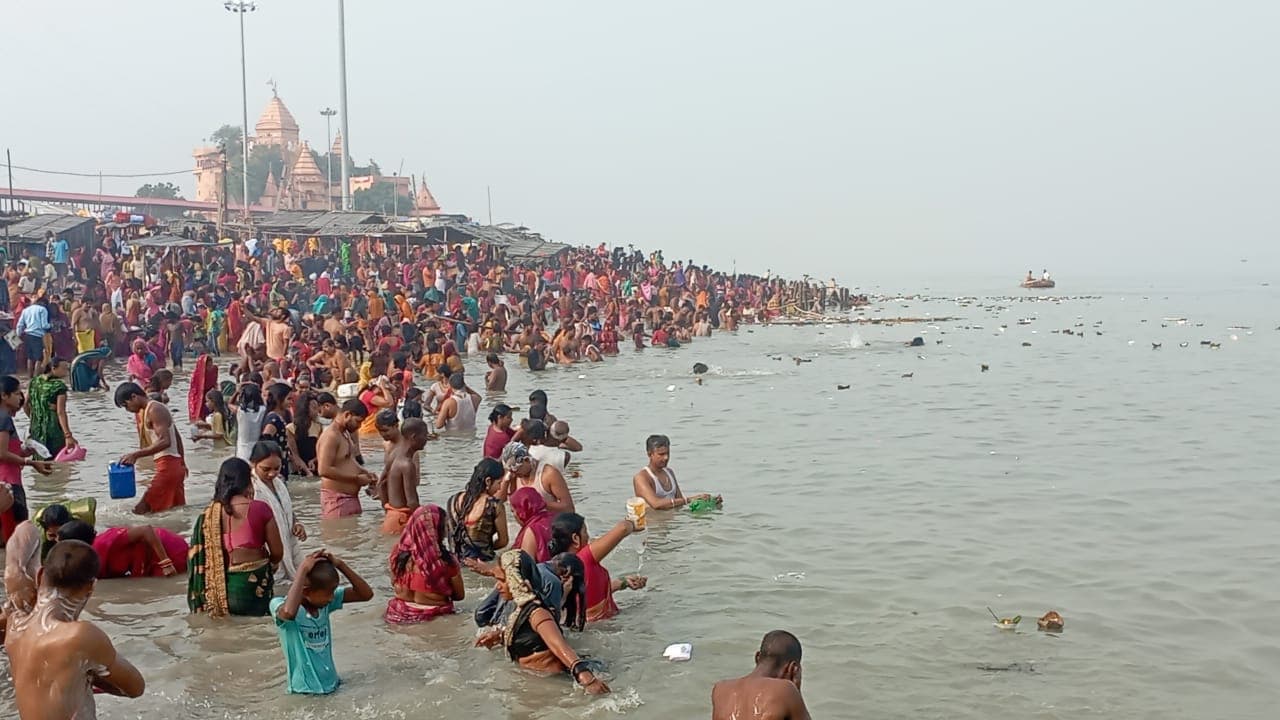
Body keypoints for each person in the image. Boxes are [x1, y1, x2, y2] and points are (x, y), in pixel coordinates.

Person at [5, 540, 146, 720]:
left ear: (40, 575)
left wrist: (15, 572)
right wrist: (92, 674)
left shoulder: (14, 624)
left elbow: (24, 533)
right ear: (91, 587)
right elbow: (135, 687)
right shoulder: (80, 636)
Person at [474, 550, 608, 694]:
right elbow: (529, 636)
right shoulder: (522, 609)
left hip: (555, 681)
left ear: (516, 580)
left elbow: (559, 646)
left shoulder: (537, 613)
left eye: (502, 580)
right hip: (537, 679)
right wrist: (500, 636)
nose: (498, 587)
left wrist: (587, 679)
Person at [188, 457, 283, 617]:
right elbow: (278, 552)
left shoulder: (207, 515)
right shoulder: (260, 508)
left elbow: (199, 557)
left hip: (221, 591)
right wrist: (272, 565)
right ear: (248, 481)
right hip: (254, 586)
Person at [271, 549, 374, 695]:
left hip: (333, 684)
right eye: (328, 594)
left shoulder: (324, 606)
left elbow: (366, 594)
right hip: (304, 691)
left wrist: (340, 564)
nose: (332, 598)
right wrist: (302, 570)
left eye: (333, 592)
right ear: (306, 592)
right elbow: (288, 613)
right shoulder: (279, 605)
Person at [547, 512, 647, 622]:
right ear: (575, 538)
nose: (588, 537)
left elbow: (590, 596)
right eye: (585, 532)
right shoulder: (583, 559)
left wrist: (623, 583)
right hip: (609, 626)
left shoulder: (558, 569)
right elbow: (623, 528)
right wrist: (633, 522)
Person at [115, 382, 187, 515]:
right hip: (173, 465)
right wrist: (182, 463)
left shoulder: (154, 410)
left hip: (168, 466)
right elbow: (177, 437)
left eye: (126, 405)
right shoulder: (152, 409)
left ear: (134, 396)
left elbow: (165, 441)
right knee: (173, 511)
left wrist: (136, 454)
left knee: (141, 510)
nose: (128, 410)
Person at [385, 504, 463, 623]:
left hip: (396, 616)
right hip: (433, 619)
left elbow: (393, 582)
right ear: (438, 530)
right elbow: (459, 596)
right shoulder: (447, 561)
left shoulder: (397, 557)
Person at [711, 631, 810, 720]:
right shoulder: (786, 690)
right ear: (793, 668)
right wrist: (796, 691)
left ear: (757, 657)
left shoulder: (720, 689)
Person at [0, 377, 52, 543]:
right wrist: (31, 463)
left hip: (5, 481)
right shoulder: (3, 419)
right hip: (9, 484)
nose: (21, 397)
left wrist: (25, 452)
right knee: (16, 538)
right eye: (16, 393)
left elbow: (7, 452)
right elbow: (1, 453)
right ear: (4, 396)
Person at [250, 441, 306, 583]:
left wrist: (296, 523)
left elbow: (285, 510)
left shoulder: (279, 483)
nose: (272, 473)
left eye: (277, 468)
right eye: (266, 469)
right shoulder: (251, 489)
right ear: (253, 463)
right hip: (269, 551)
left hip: (288, 542)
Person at [316, 399, 377, 518]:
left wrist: (365, 473)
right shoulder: (331, 436)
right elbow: (324, 470)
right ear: (347, 415)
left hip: (350, 498)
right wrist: (356, 479)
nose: (359, 426)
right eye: (358, 421)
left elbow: (348, 461)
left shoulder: (344, 433)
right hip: (337, 500)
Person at [631, 434, 720, 510]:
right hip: (654, 526)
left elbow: (680, 502)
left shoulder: (669, 472)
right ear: (650, 454)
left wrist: (708, 502)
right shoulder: (641, 478)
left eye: (667, 453)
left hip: (674, 523)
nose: (666, 458)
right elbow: (656, 504)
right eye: (661, 454)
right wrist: (690, 499)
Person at [449, 458, 509, 561]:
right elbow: (503, 541)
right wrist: (485, 550)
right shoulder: (495, 506)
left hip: (457, 562)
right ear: (488, 481)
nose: (499, 488)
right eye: (499, 483)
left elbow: (451, 536)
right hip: (483, 564)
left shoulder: (454, 500)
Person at [380, 418, 430, 534]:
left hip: (391, 517)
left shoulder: (394, 453)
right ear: (413, 437)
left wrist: (388, 509)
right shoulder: (407, 464)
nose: (426, 439)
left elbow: (381, 484)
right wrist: (426, 522)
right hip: (402, 521)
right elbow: (412, 502)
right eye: (424, 435)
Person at [90, 523, 188, 578]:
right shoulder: (93, 566)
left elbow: (146, 530)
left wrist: (166, 564)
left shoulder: (105, 543)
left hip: (166, 550)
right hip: (147, 564)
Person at [502, 441, 574, 513]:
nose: (514, 474)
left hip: (548, 520)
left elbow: (569, 508)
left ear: (527, 460)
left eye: (516, 470)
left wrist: (540, 504)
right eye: (511, 471)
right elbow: (501, 501)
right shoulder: (513, 474)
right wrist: (505, 483)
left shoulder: (549, 474)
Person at [27, 357, 76, 458]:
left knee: (39, 460)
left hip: (35, 430)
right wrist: (68, 436)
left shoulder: (34, 381)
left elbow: (25, 403)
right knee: (57, 460)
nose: (66, 372)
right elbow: (60, 412)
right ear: (53, 368)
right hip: (54, 431)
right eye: (64, 368)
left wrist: (35, 418)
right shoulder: (59, 386)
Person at [511, 486, 555, 563]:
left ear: (521, 512)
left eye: (513, 511)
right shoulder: (559, 518)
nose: (514, 515)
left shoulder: (532, 530)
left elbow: (526, 567)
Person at [228, 382, 266, 462]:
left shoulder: (240, 412)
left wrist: (237, 392)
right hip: (257, 449)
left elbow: (229, 404)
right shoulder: (263, 410)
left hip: (242, 450)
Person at [16, 295, 50, 378]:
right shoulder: (43, 309)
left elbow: (20, 325)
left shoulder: (25, 310)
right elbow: (44, 325)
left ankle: (29, 377)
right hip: (37, 336)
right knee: (39, 358)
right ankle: (35, 377)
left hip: (28, 335)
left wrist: (18, 336)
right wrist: (51, 325)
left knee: (30, 357)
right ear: (43, 303)